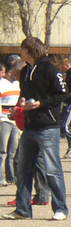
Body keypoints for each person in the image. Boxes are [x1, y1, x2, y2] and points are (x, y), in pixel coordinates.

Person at [2, 37, 69, 221]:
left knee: (52, 169)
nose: (20, 52)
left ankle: (60, 208)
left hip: (48, 126)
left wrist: (41, 103)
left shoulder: (50, 69)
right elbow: (24, 94)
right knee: (23, 169)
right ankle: (23, 209)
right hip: (30, 126)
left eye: (22, 49)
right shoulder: (25, 71)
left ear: (29, 50)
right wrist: (19, 106)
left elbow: (61, 94)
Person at [0, 58, 21, 187]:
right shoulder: (2, 84)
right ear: (8, 72)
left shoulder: (18, 84)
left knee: (13, 151)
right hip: (3, 120)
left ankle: (12, 176)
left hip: (15, 121)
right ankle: (1, 177)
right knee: (2, 151)